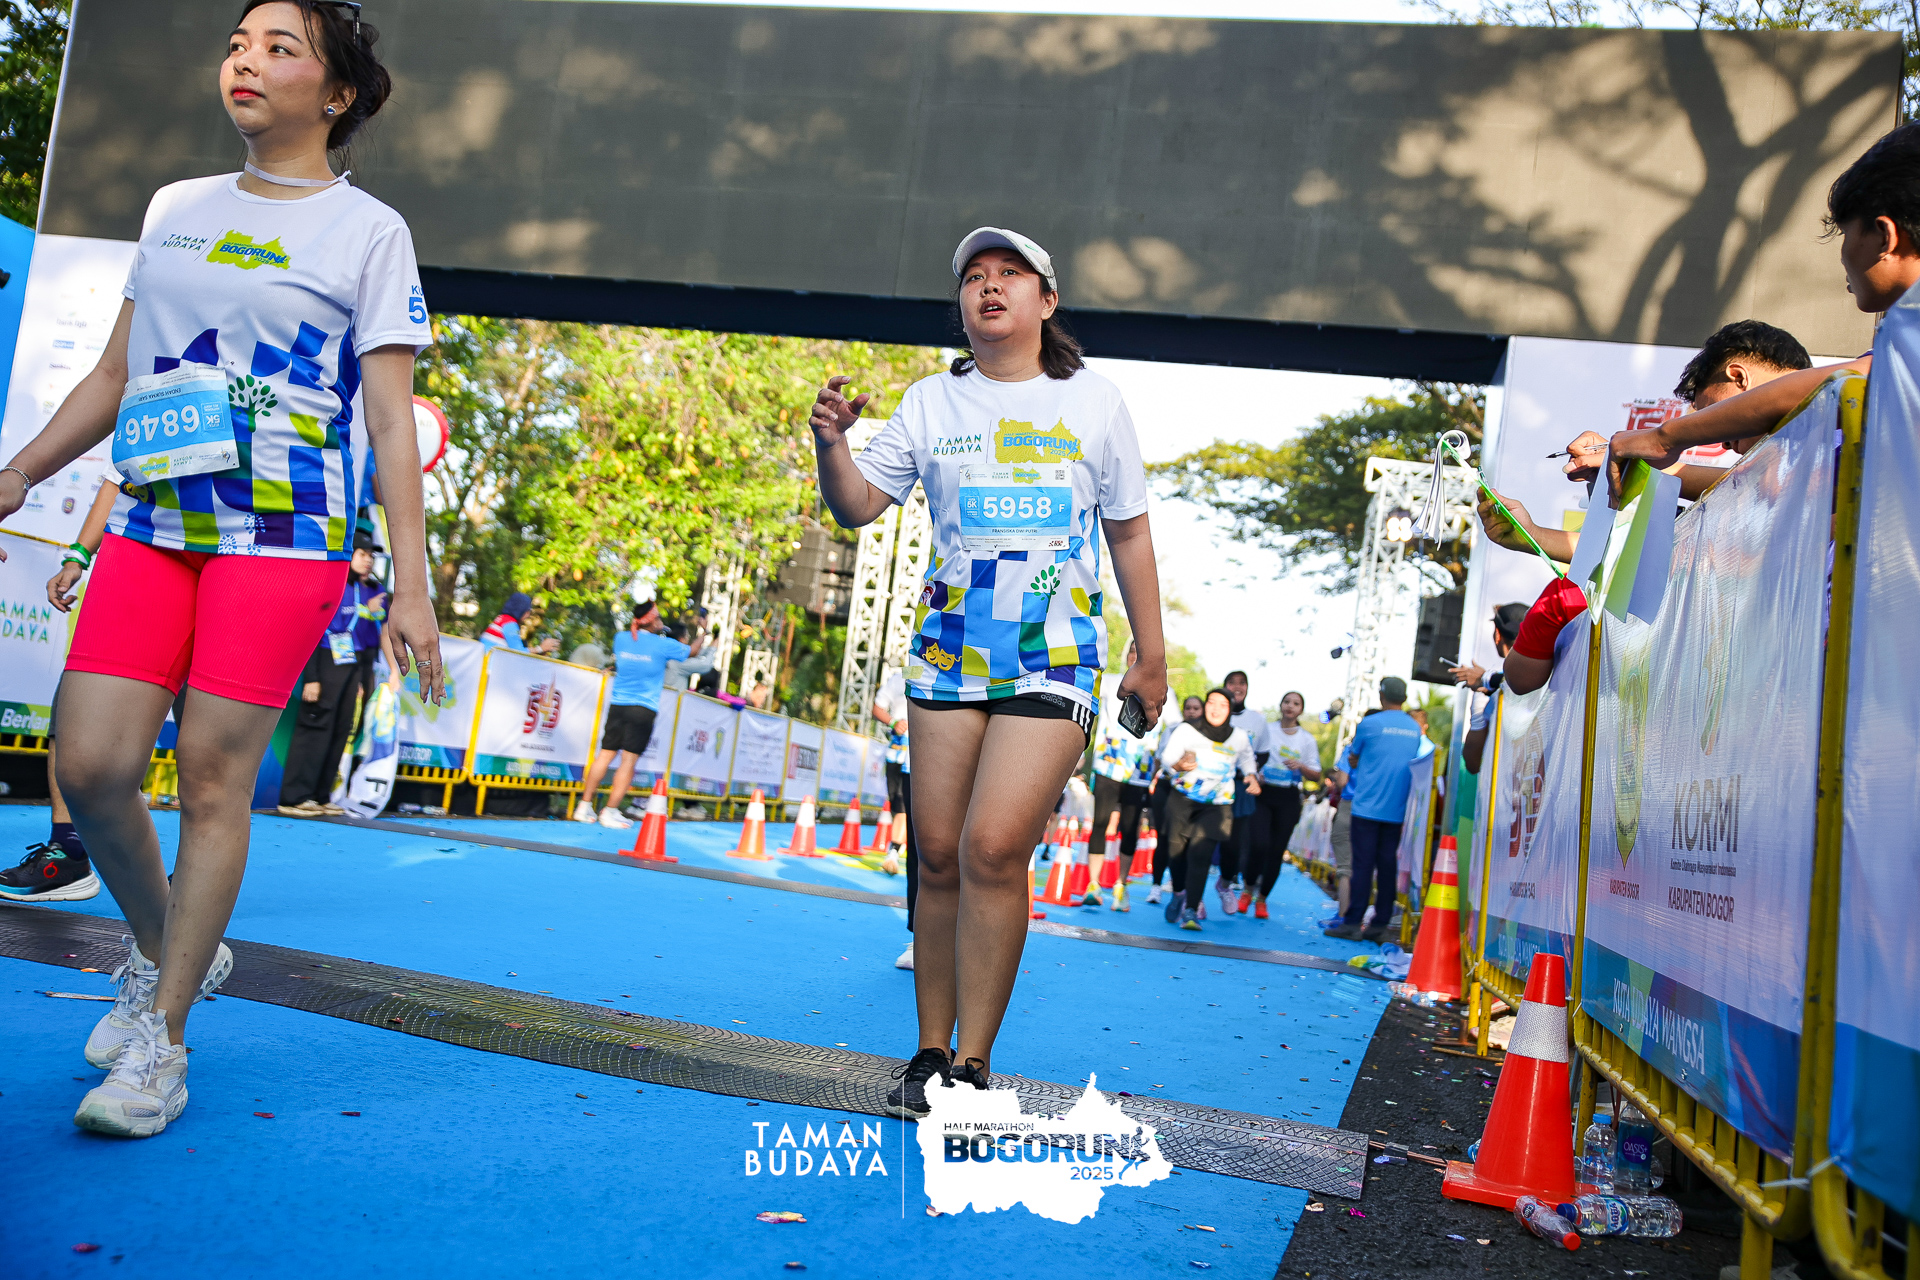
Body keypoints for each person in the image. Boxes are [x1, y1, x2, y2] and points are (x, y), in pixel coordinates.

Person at [0, 1, 440, 1138]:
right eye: (239, 43)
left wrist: (411, 583)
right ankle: (167, 949)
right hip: (155, 522)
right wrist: (21, 470)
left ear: (337, 94)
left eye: (280, 48)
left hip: (287, 538)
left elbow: (391, 421)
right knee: (91, 763)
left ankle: (165, 1040)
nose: (246, 61)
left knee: (209, 774)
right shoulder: (175, 209)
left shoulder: (369, 232)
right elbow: (116, 374)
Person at [808, 225, 1166, 1118]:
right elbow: (856, 506)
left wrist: (1151, 654)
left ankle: (974, 1061)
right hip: (949, 649)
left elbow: (1128, 532)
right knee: (937, 855)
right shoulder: (930, 401)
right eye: (974, 276)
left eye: (1010, 274)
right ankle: (929, 1052)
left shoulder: (1095, 403)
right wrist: (832, 445)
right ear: (963, 303)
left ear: (1047, 300)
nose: (990, 286)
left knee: (993, 847)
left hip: (1055, 651)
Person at [1606, 123, 1920, 492]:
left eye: (1845, 233)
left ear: (1885, 236)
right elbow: (1798, 492)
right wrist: (1657, 465)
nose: (1842, 257)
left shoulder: (1888, 366)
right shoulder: (1897, 355)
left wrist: (1666, 436)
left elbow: (1854, 381)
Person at [0, 475, 123, 902]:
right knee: (72, 709)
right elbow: (116, 481)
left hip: (236, 561)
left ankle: (194, 871)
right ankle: (68, 852)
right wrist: (77, 557)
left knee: (203, 738)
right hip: (138, 564)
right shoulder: (144, 428)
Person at [277, 531, 387, 817]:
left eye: (371, 556)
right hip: (325, 658)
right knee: (315, 726)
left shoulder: (366, 588)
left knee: (340, 730)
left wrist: (362, 679)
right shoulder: (330, 582)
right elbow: (311, 630)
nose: (368, 560)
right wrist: (312, 677)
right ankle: (294, 797)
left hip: (352, 663)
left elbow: (371, 631)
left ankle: (320, 795)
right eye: (362, 554)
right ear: (348, 554)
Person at [573, 602, 701, 828]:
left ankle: (584, 806)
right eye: (658, 618)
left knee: (604, 755)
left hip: (618, 706)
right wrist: (704, 632)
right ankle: (610, 811)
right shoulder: (662, 645)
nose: (661, 621)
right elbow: (692, 651)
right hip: (642, 709)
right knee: (628, 761)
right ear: (650, 621)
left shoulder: (621, 638)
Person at [1324, 677, 1427, 942]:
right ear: (1404, 698)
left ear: (1381, 696)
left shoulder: (1369, 724)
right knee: (1387, 866)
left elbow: (1353, 758)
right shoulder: (1413, 728)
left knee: (1362, 865)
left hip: (1366, 807)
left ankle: (1353, 923)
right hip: (1396, 809)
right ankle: (1380, 925)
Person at [1156, 687, 1260, 931]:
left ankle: (1191, 910)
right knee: (1176, 853)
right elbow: (1168, 757)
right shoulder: (1187, 730)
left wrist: (1251, 775)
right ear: (1205, 706)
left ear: (1230, 710)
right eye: (1212, 703)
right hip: (1182, 798)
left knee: (1200, 855)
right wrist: (1178, 765)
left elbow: (1247, 758)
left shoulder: (1238, 737)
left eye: (1223, 705)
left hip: (1217, 804)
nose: (1216, 709)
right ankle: (1179, 893)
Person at [1236, 690, 1323, 919]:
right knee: (1258, 844)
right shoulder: (1267, 729)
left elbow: (1316, 775)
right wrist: (1255, 773)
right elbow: (1249, 755)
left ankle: (1262, 899)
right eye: (1287, 702)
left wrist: (1301, 766)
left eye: (1296, 703)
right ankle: (1247, 890)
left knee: (1276, 851)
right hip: (1263, 793)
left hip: (1288, 798)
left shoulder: (1306, 739)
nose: (1290, 706)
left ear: (1301, 710)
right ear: (1281, 705)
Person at [1086, 640, 1155, 912]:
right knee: (1100, 821)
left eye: (1141, 651)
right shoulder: (1111, 681)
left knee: (1129, 827)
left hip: (1139, 770)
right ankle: (1093, 885)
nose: (1135, 656)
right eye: (1132, 651)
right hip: (1108, 764)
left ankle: (1121, 885)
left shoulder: (1164, 691)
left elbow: (1171, 727)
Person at [1451, 602, 1527, 774]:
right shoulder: (1551, 672)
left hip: (1508, 786)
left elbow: (1472, 763)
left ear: (1497, 635)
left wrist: (1478, 712)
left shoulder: (1492, 687)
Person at [1144, 693, 1203, 904]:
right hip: (1167, 787)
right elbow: (1161, 759)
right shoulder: (1172, 729)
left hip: (1192, 792)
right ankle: (1156, 886)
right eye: (1188, 708)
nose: (1192, 712)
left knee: (1187, 841)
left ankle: (1181, 886)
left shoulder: (1207, 735)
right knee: (1163, 837)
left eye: (1196, 708)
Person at [1218, 668, 1267, 913]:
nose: (1237, 687)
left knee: (1233, 844)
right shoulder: (1215, 713)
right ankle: (1191, 900)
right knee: (1203, 841)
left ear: (1247, 688)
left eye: (1242, 683)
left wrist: (1251, 772)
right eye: (1232, 682)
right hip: (1213, 783)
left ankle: (1225, 884)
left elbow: (1264, 753)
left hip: (1240, 786)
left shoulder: (1257, 720)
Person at [480, 591, 556, 654]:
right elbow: (518, 652)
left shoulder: (501, 618)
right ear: (520, 610)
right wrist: (540, 648)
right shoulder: (510, 624)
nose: (528, 615)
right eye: (528, 611)